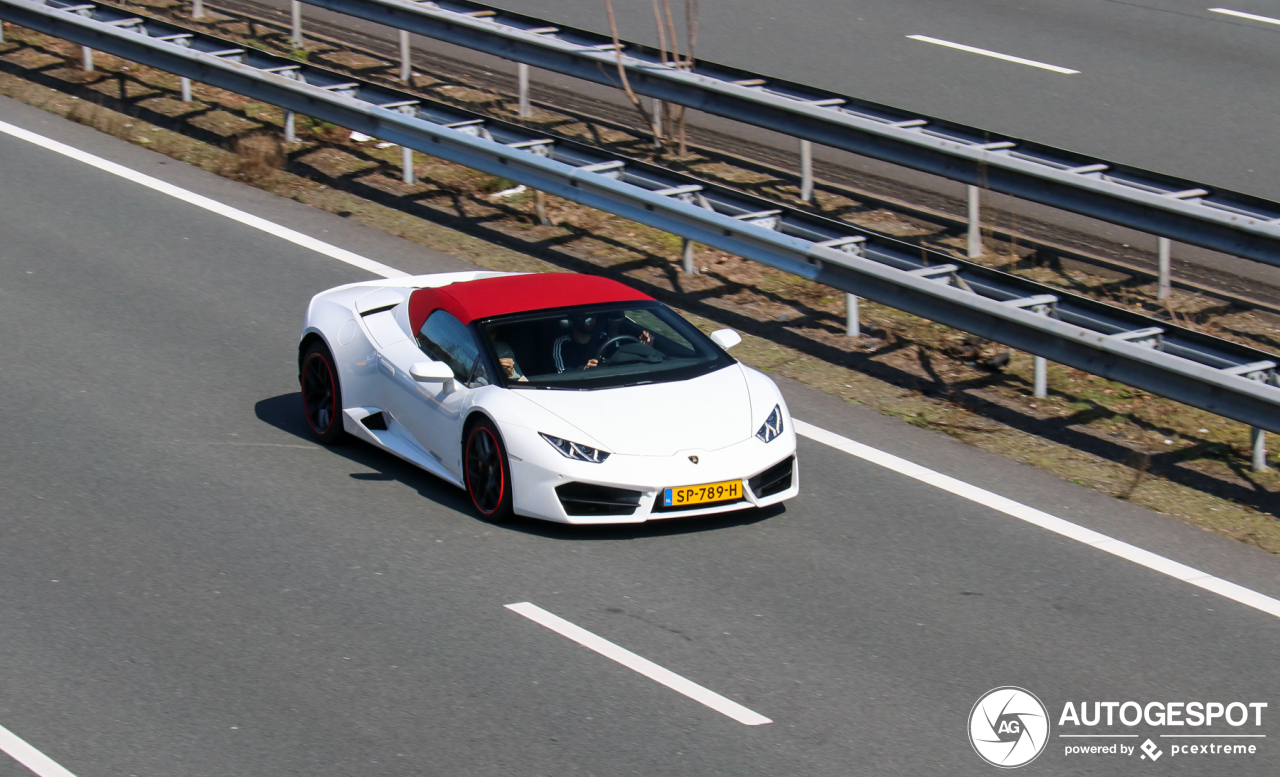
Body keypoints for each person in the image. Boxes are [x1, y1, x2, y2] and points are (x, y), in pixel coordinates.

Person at [553, 314, 653, 372]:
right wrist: (584, 370)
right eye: (583, 315)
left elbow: (620, 358)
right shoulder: (562, 344)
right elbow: (562, 373)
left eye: (592, 314)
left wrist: (642, 348)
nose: (590, 319)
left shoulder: (604, 337)